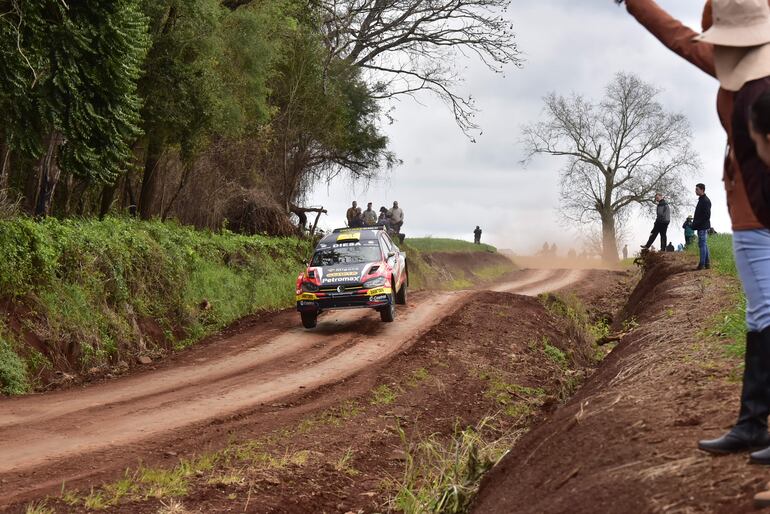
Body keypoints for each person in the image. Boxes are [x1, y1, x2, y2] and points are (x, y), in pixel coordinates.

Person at [685, 2, 770, 486]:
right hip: (752, 214)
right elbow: (682, 37)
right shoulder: (732, 69)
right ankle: (751, 422)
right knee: (761, 315)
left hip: (756, 217)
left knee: (767, 314)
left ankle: (752, 422)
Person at [692, 183, 712, 270]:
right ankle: (707, 263)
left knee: (702, 245)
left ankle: (702, 264)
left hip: (703, 226)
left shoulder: (705, 201)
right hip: (701, 226)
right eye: (695, 189)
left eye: (697, 189)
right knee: (704, 244)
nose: (695, 191)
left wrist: (697, 223)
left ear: (702, 190)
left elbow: (707, 215)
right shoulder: (701, 200)